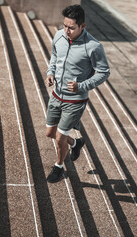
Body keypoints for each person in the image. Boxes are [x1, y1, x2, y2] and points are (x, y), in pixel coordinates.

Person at [45, 4, 110, 183]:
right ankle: (76, 143)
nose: (67, 30)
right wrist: (50, 73)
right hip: (56, 94)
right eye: (65, 25)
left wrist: (81, 86)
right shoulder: (59, 35)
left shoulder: (94, 46)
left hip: (75, 100)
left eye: (71, 27)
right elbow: (55, 57)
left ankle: (59, 167)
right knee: (50, 133)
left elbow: (104, 72)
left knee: (59, 138)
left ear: (82, 26)